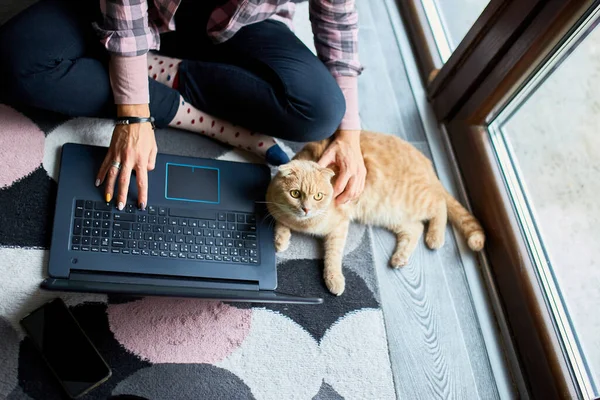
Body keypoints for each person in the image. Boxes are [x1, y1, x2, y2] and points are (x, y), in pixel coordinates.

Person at [0, 0, 366, 211]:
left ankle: (164, 70)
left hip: (236, 24)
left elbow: (337, 17)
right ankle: (185, 113)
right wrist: (134, 114)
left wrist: (349, 134)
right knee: (15, 63)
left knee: (321, 112)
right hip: (129, 8)